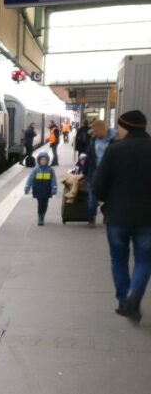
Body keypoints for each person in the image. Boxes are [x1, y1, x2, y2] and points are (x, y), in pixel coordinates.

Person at [92, 110, 151, 325]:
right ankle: (134, 293)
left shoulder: (115, 150)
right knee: (145, 259)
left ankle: (124, 301)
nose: (117, 131)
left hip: (117, 216)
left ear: (127, 127)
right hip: (148, 217)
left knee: (118, 259)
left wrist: (103, 199)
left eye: (119, 127)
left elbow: (98, 185)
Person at [83, 119, 118, 228]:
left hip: (110, 173)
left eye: (96, 132)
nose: (94, 134)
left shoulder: (116, 140)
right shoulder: (93, 140)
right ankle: (91, 220)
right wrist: (84, 172)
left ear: (102, 129)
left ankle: (107, 217)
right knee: (92, 198)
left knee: (110, 197)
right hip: (94, 172)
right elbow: (88, 157)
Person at [24, 152, 57, 226]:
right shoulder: (36, 170)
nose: (43, 161)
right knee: (40, 203)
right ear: (39, 160)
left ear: (47, 160)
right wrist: (27, 187)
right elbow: (30, 178)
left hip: (47, 189)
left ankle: (43, 214)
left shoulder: (50, 170)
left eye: (45, 160)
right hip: (38, 189)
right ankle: (40, 217)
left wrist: (54, 188)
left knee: (45, 203)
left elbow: (53, 180)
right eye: (42, 160)